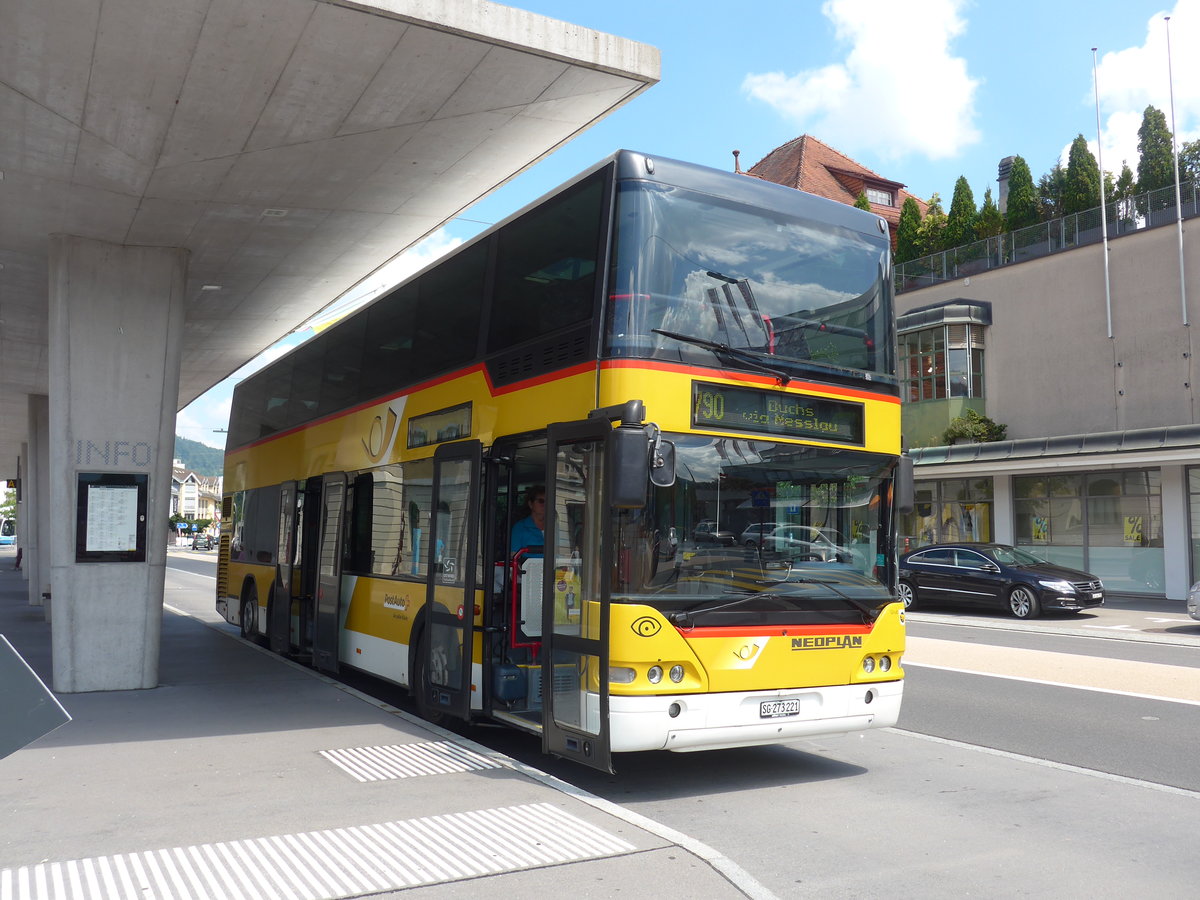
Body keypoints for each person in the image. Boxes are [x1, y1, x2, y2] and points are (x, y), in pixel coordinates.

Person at [509, 485, 545, 554]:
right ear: (530, 504)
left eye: (549, 501)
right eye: (541, 501)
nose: (545, 504)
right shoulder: (519, 528)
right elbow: (514, 557)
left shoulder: (555, 527)